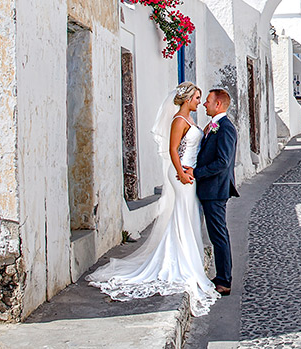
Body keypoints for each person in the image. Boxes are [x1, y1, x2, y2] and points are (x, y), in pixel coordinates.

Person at [88, 82, 219, 316]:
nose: (200, 102)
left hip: (189, 172)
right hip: (181, 174)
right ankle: (182, 263)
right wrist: (180, 172)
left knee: (186, 215)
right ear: (188, 99)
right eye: (197, 98)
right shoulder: (179, 121)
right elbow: (173, 149)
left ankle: (185, 259)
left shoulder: (189, 120)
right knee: (183, 214)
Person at [189, 88, 238, 296]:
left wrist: (197, 173)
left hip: (216, 190)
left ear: (218, 104)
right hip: (210, 189)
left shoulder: (225, 128)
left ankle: (224, 280)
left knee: (219, 236)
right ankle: (221, 276)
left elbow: (222, 162)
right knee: (217, 235)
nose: (204, 104)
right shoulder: (215, 126)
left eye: (207, 101)